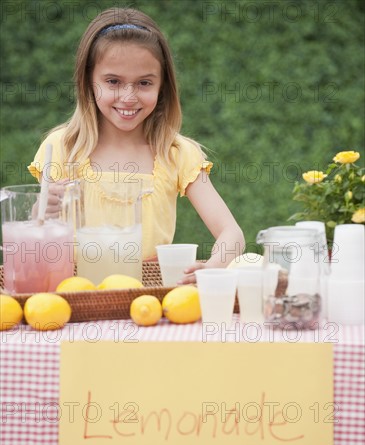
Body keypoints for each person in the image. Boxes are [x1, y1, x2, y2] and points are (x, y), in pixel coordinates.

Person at [28, 7, 245, 284]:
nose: (128, 97)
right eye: (113, 82)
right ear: (87, 82)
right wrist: (41, 211)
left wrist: (214, 266)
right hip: (75, 295)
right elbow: (37, 233)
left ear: (162, 87)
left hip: (150, 298)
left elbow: (232, 234)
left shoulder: (175, 153)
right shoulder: (62, 148)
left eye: (144, 83)